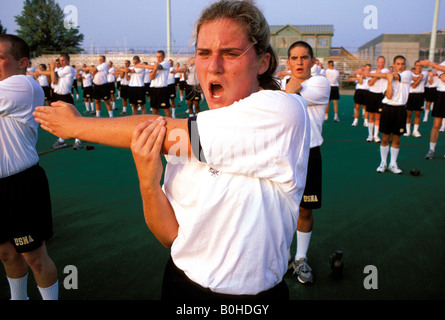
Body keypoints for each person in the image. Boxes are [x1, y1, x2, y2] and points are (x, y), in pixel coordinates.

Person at [34, 0, 310, 300]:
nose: (213, 65)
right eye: (204, 53)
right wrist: (148, 183)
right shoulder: (189, 134)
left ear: (263, 62)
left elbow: (162, 132)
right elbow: (171, 237)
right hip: (181, 284)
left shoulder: (283, 110)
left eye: (230, 53)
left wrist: (77, 126)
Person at [0, 34, 58, 300]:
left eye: (0, 58)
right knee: (6, 253)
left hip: (20, 184)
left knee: (34, 257)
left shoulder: (22, 84)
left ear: (22, 62)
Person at [283, 41, 330, 284]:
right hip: (282, 154)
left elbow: (284, 102)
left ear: (312, 61)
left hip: (309, 154)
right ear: (288, 61)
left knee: (305, 209)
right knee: (277, 207)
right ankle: (281, 255)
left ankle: (300, 258)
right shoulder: (280, 84)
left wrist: (282, 91)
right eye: (294, 58)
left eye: (304, 57)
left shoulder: (320, 83)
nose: (299, 62)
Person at [367, 55, 412, 174]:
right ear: (394, 64)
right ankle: (383, 163)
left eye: (402, 64)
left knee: (397, 139)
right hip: (387, 109)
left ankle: (393, 164)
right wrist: (389, 80)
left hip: (400, 110)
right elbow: (388, 96)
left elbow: (394, 76)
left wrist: (372, 74)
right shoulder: (385, 80)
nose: (400, 66)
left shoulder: (407, 74)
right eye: (398, 64)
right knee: (385, 138)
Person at [38, 54, 82, 150]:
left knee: (73, 118)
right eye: (60, 60)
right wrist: (52, 70)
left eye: (63, 60)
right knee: (59, 119)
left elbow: (53, 77)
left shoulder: (68, 68)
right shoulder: (60, 70)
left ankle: (78, 140)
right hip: (57, 95)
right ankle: (61, 140)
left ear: (68, 61)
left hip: (65, 96)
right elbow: (53, 81)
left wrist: (51, 69)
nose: (61, 62)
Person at [420, 60, 445, 159]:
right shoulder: (442, 64)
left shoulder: (439, 66)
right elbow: (443, 78)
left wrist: (431, 64)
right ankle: (431, 150)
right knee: (436, 125)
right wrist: (437, 67)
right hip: (441, 95)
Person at [136, 51, 172, 117]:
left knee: (166, 110)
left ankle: (172, 125)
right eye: (157, 56)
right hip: (153, 89)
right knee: (155, 110)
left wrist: (142, 66)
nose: (158, 58)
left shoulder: (166, 63)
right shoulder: (153, 65)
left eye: (160, 56)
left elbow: (158, 66)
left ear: (164, 57)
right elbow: (151, 77)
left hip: (163, 88)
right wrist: (154, 69)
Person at [366, 56, 389, 143]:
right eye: (380, 62)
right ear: (376, 62)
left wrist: (377, 75)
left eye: (383, 62)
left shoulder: (386, 71)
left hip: (381, 95)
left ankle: (376, 136)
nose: (381, 64)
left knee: (378, 117)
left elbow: (385, 76)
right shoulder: (371, 72)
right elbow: (370, 83)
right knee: (371, 116)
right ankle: (370, 135)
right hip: (372, 95)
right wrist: (376, 75)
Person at [405, 60, 428, 137]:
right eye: (417, 65)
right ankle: (407, 131)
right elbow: (414, 85)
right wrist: (419, 78)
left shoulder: (424, 73)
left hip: (420, 95)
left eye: (420, 66)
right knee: (409, 114)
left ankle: (415, 131)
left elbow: (416, 81)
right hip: (411, 95)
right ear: (414, 66)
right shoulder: (410, 74)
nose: (419, 67)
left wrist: (417, 78)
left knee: (418, 114)